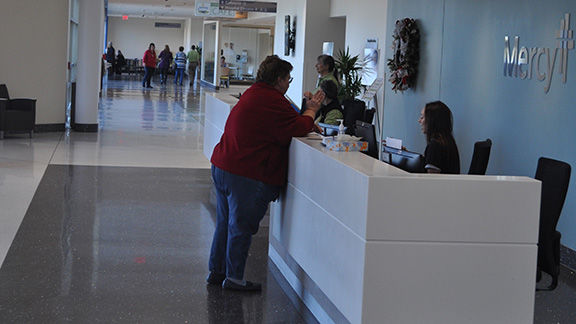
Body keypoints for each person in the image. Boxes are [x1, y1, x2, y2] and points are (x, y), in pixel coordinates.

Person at [208, 55, 325, 291]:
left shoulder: (255, 93)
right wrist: (312, 111)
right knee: (240, 226)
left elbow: (285, 122)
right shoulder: (272, 100)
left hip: (223, 164)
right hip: (245, 172)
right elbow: (297, 127)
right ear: (279, 79)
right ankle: (233, 279)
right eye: (288, 79)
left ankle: (217, 271)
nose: (289, 84)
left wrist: (307, 116)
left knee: (225, 223)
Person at [418, 101, 460, 174]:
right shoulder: (447, 141)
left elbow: (432, 180)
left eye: (422, 117)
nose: (419, 121)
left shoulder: (435, 146)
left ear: (432, 120)